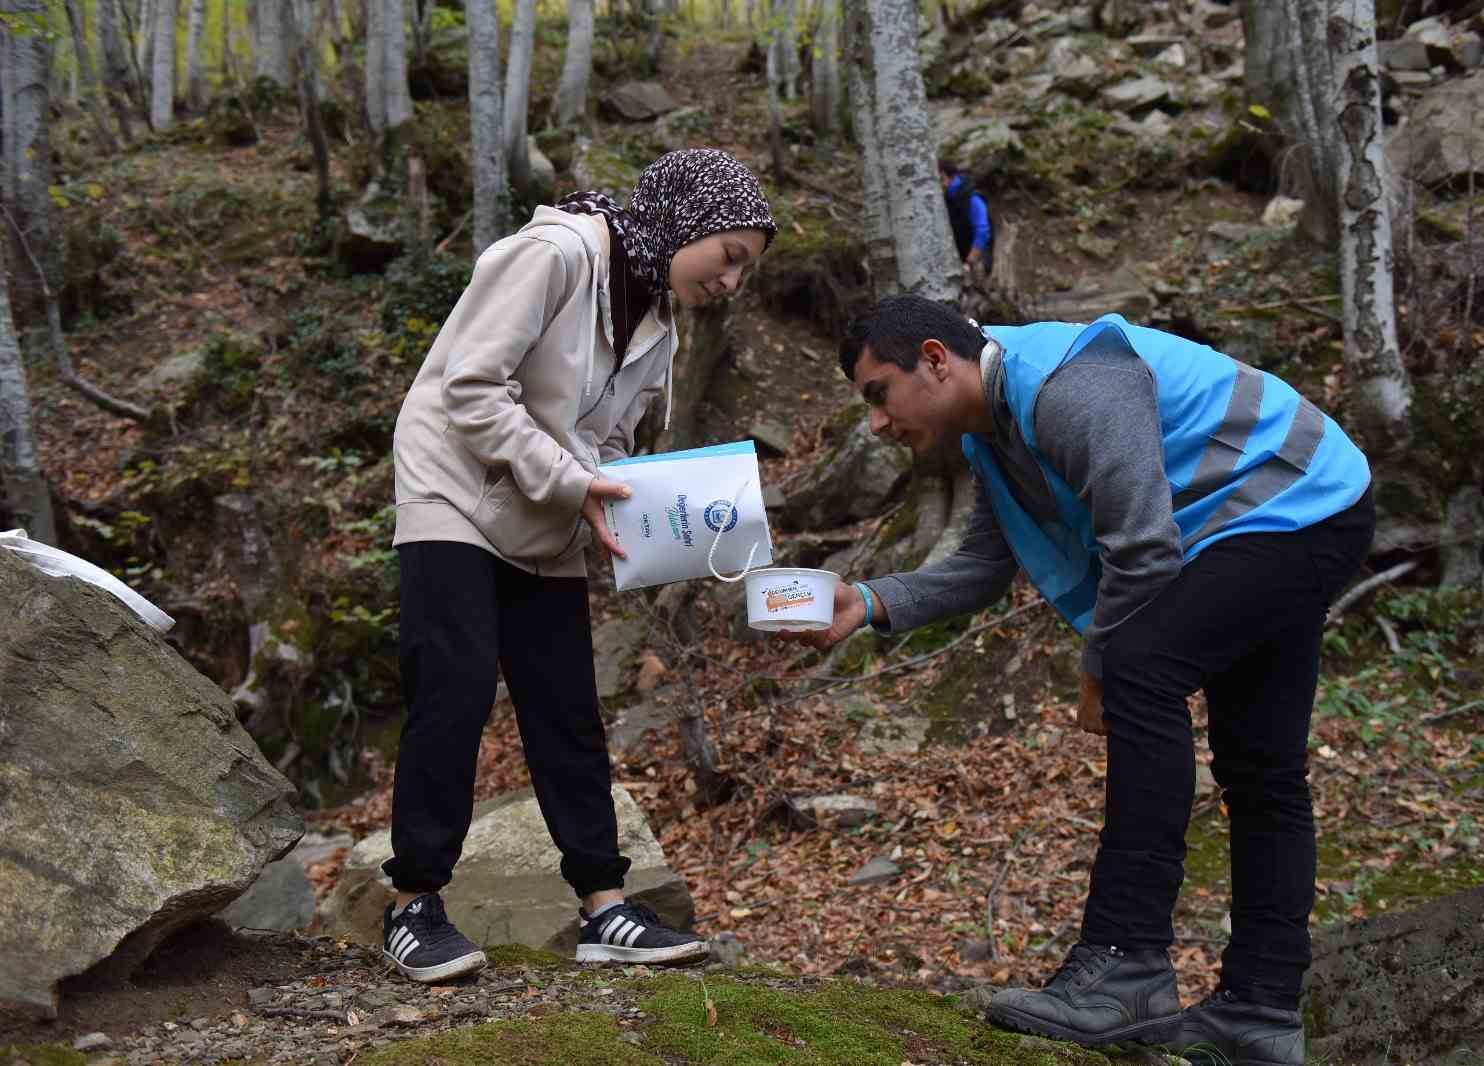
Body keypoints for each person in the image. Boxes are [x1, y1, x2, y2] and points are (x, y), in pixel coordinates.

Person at [798, 295, 1373, 1065]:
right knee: (1260, 766)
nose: (875, 422)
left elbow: (1141, 549)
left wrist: (1098, 672)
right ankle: (1260, 1010)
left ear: (935, 359)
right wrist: (866, 600)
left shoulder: (1070, 385)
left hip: (1292, 501)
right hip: (1287, 510)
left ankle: (1124, 962)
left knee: (1142, 671)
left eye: (878, 394)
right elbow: (980, 566)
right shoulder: (997, 432)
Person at [382, 149, 776, 983]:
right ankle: (413, 903)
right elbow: (471, 388)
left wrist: (646, 511)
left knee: (566, 707)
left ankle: (604, 906)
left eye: (746, 270)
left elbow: (608, 444)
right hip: (452, 487)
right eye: (729, 256)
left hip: (547, 511)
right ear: (688, 223)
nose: (731, 282)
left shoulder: (656, 323)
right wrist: (577, 479)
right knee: (451, 684)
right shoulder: (556, 254)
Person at [939, 159, 993, 276]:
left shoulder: (971, 198)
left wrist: (969, 262)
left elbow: (982, 232)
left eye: (941, 179)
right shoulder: (946, 198)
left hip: (977, 258)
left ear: (948, 176)